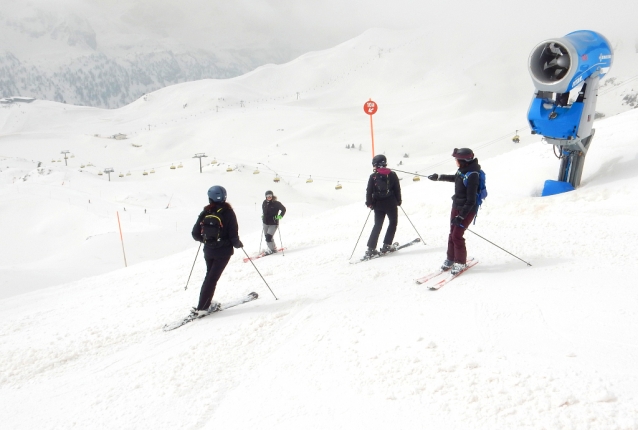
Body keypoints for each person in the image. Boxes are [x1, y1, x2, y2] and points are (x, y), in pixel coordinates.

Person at [190, 185, 243, 317]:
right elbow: (233, 235)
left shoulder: (205, 212)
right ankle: (203, 307)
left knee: (210, 276)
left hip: (209, 251)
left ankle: (205, 303)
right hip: (223, 252)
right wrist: (238, 244)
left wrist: (208, 241)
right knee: (212, 278)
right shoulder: (229, 212)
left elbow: (195, 234)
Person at [428, 148, 480, 275]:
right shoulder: (463, 170)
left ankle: (461, 262)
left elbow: (471, 200)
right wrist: (438, 177)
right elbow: (455, 178)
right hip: (456, 205)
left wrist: (461, 217)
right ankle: (450, 259)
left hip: (467, 209)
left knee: (457, 235)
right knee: (452, 233)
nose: (455, 161)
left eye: (457, 159)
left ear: (463, 160)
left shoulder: (473, 174)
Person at [364, 154, 402, 258]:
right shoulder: (392, 174)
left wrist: (369, 203)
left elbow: (369, 191)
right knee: (393, 223)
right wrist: (398, 201)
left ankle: (371, 249)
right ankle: (387, 245)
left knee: (377, 225)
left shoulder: (373, 176)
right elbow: (397, 189)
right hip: (391, 203)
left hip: (378, 204)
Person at [262, 190, 286, 255]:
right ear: (266, 196)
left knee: (268, 237)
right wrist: (263, 215)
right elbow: (264, 211)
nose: (269, 197)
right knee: (267, 236)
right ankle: (273, 248)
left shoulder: (276, 203)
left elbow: (283, 209)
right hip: (265, 223)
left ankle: (270, 249)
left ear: (272, 196)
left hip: (273, 223)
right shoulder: (264, 202)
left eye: (270, 196)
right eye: (267, 196)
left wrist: (280, 216)